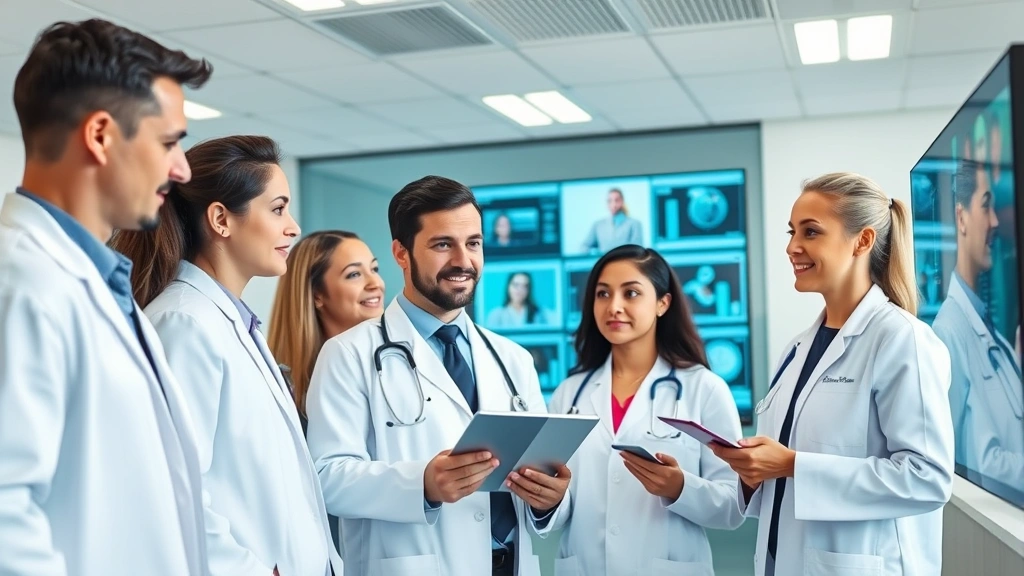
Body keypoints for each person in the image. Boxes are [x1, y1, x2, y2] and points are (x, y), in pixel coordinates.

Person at [0, 18, 211, 576]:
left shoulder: (93, 284)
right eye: (168, 143)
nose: (182, 169)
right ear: (99, 135)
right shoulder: (22, 284)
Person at [305, 175, 570, 576]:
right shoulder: (348, 354)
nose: (463, 261)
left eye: (474, 244)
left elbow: (534, 479)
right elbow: (325, 478)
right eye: (443, 244)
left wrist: (549, 498)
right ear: (401, 252)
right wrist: (423, 484)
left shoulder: (512, 359)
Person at [110, 135, 342, 576]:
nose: (293, 227)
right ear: (221, 219)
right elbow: (172, 488)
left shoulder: (229, 322)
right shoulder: (185, 324)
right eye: (277, 209)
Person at [712, 173, 954, 576]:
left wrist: (792, 465)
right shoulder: (796, 350)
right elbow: (787, 472)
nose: (792, 247)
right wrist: (755, 470)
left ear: (862, 241)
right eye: (792, 232)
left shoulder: (901, 340)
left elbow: (927, 479)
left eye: (811, 232)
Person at [545, 244, 744, 575]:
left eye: (631, 293)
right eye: (603, 294)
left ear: (662, 303)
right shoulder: (569, 393)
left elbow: (734, 506)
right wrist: (549, 499)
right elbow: (561, 507)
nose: (614, 306)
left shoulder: (703, 389)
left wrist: (679, 488)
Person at [932, 159, 1022, 493]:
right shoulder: (948, 333)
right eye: (986, 207)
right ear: (961, 217)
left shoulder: (990, 332)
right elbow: (975, 465)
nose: (996, 221)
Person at [267, 229, 385, 431]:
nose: (376, 283)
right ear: (317, 295)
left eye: (374, 269)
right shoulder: (280, 392)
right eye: (354, 274)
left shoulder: (399, 359)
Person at [580, 188, 644, 254]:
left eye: (617, 200)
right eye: (609, 201)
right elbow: (584, 247)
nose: (613, 204)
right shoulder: (598, 225)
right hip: (605, 263)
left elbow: (637, 250)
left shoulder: (635, 224)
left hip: (625, 263)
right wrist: (594, 253)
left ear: (622, 202)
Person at [486, 271, 554, 328]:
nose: (520, 290)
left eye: (525, 286)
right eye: (516, 285)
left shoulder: (539, 314)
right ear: (508, 287)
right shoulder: (496, 315)